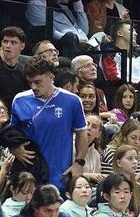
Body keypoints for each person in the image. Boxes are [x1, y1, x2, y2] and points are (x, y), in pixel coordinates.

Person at [10, 56, 88, 188]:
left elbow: (82, 132)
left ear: (51, 77)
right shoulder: (19, 100)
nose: (33, 87)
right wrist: (14, 149)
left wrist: (79, 163)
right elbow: (11, 134)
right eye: (30, 83)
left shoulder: (72, 100)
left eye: (37, 82)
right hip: (29, 176)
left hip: (60, 175)